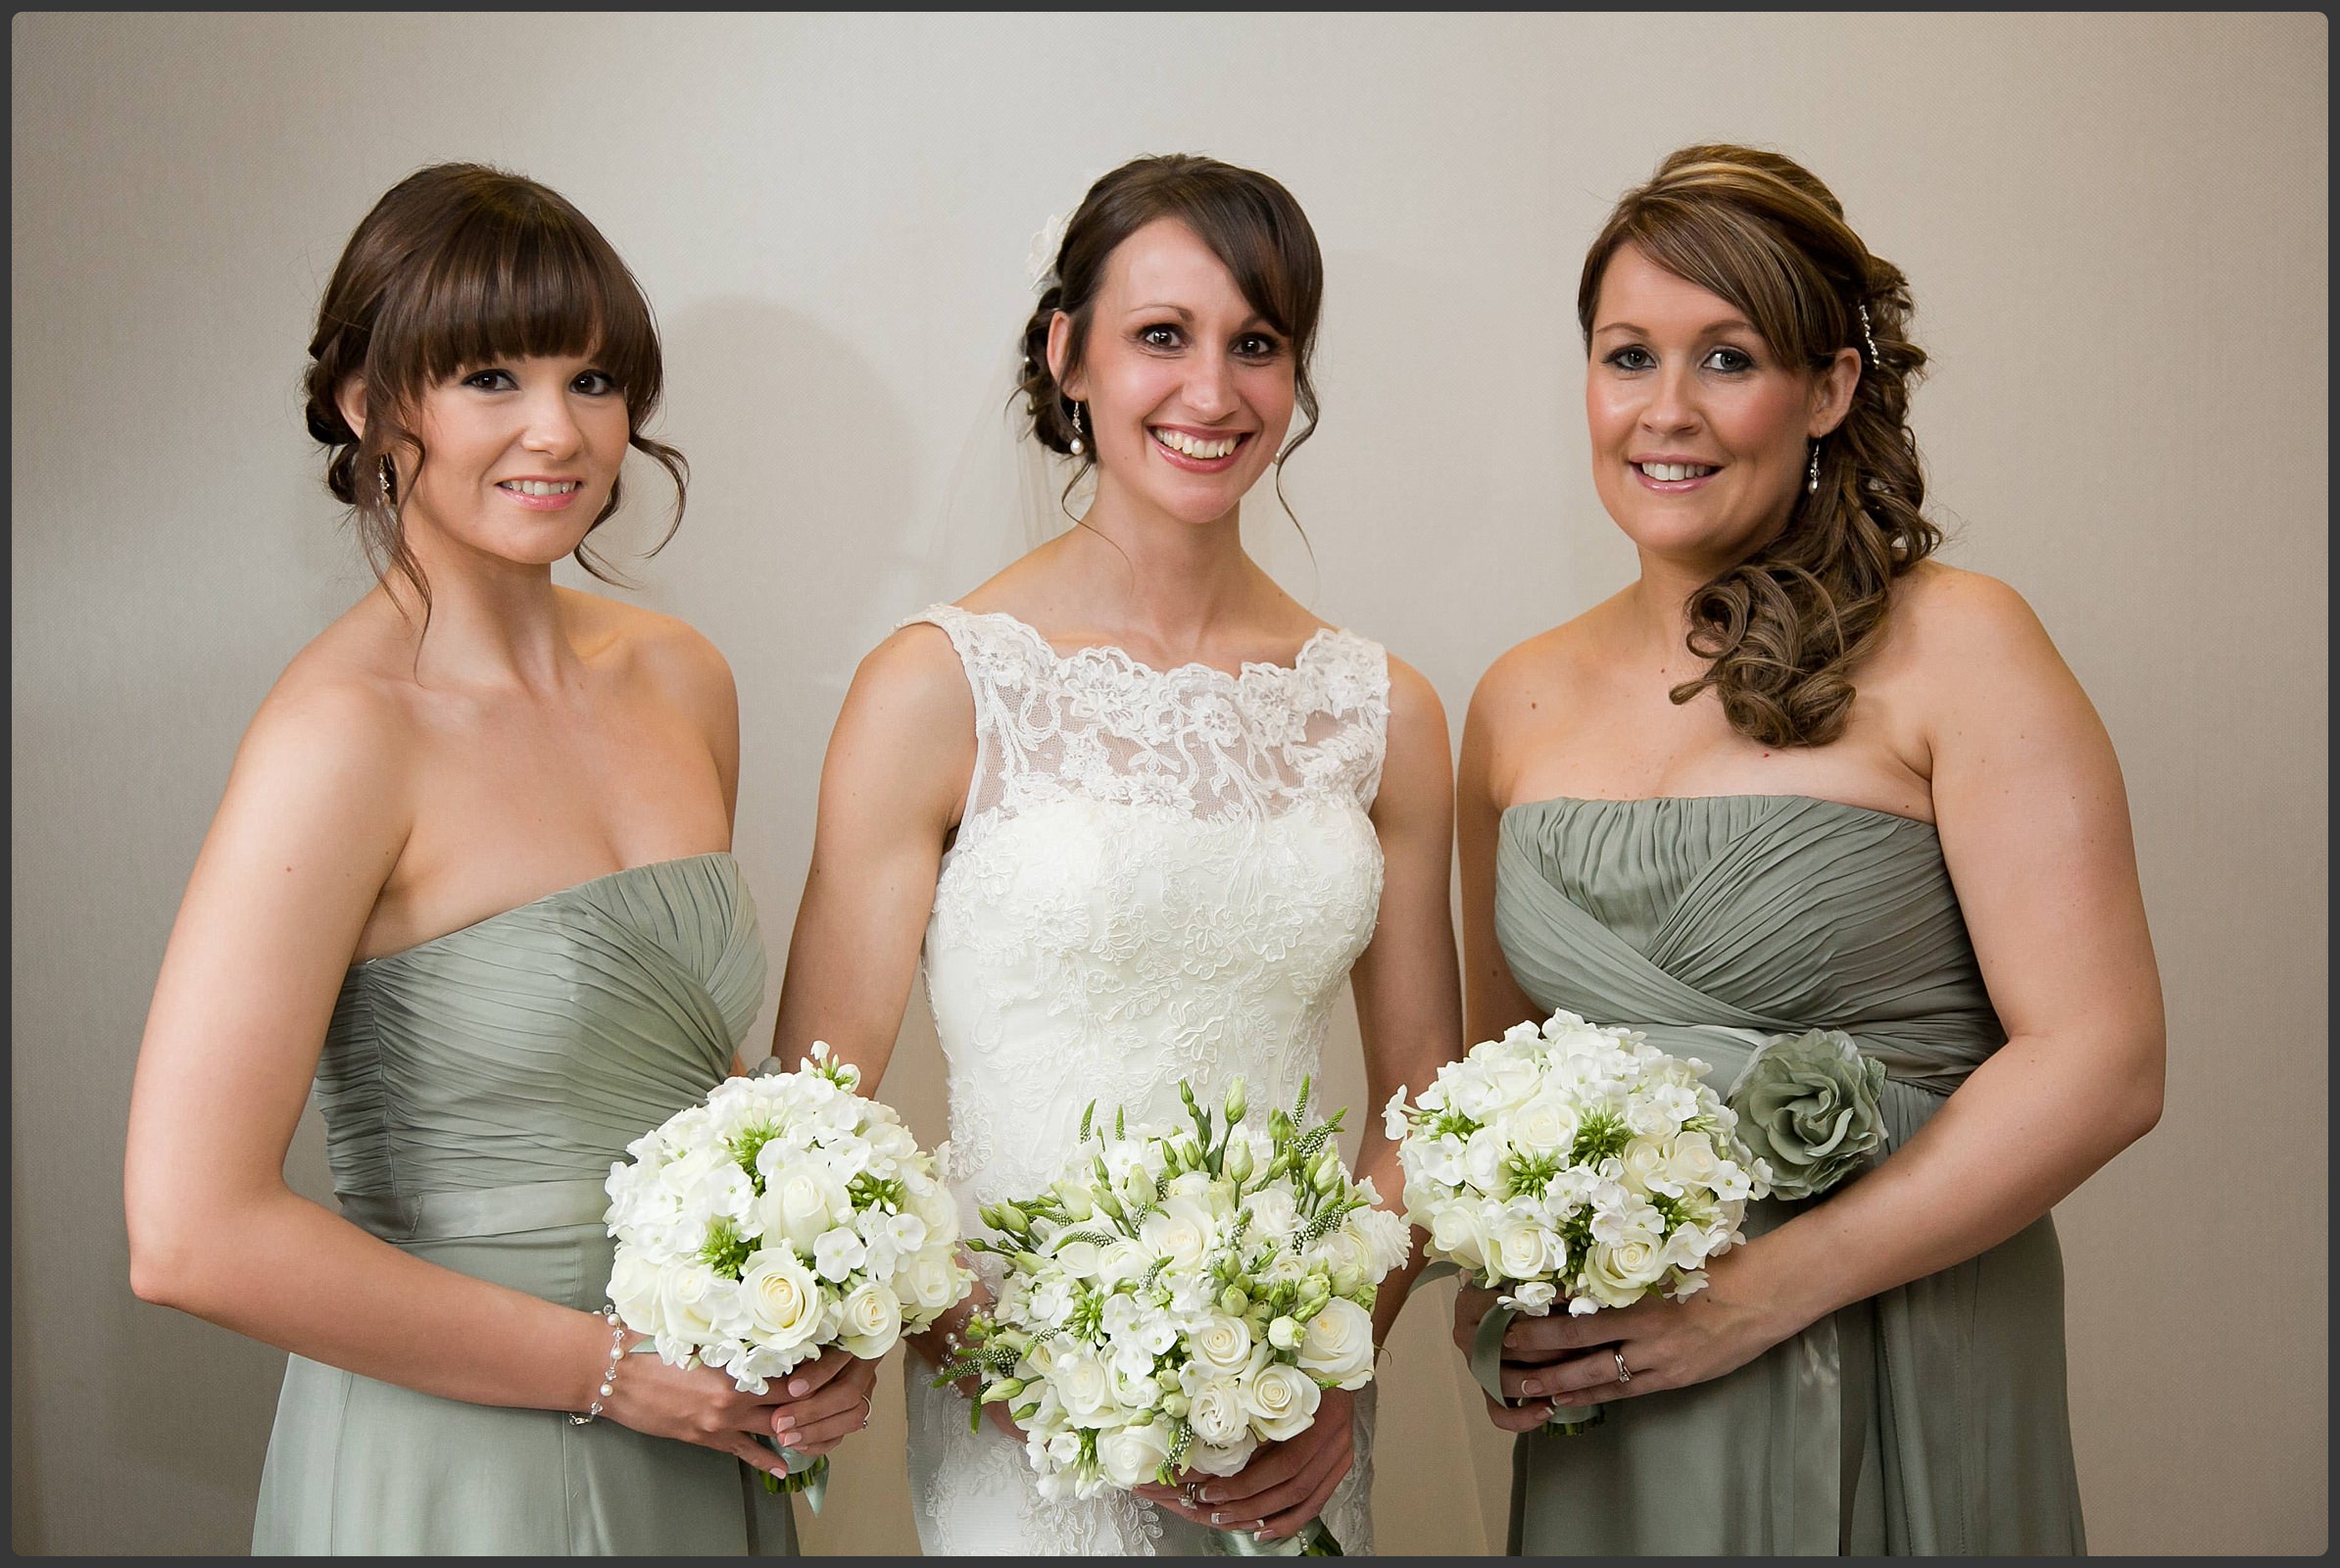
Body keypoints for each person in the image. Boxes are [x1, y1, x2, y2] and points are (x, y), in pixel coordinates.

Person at [122, 163, 873, 1554]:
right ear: (370, 403)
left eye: (593, 381)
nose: (558, 431)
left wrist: (810, 1308)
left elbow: (708, 1096)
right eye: (489, 378)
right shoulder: (340, 740)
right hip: (463, 1450)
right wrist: (609, 1375)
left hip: (701, 1429)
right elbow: (188, 1232)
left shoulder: (679, 678)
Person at [1451, 143, 2165, 1553]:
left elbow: (2105, 1063)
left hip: (1899, 1342)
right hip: (1622, 1395)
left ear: (1831, 386)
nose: (1667, 411)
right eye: (1627, 355)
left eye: (1729, 359)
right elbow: (1489, 1077)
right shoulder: (1515, 697)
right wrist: (1498, 1288)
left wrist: (1764, 1297)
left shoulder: (1967, 645)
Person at [770, 153, 1462, 1553]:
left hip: (1293, 1421)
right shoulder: (940, 687)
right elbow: (813, 1118)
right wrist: (1055, 1380)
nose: (1212, 394)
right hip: (1018, 1416)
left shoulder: (1381, 711)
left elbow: (1423, 1108)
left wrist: (1327, 1367)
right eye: (1163, 336)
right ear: (1065, 352)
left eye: (1255, 345)